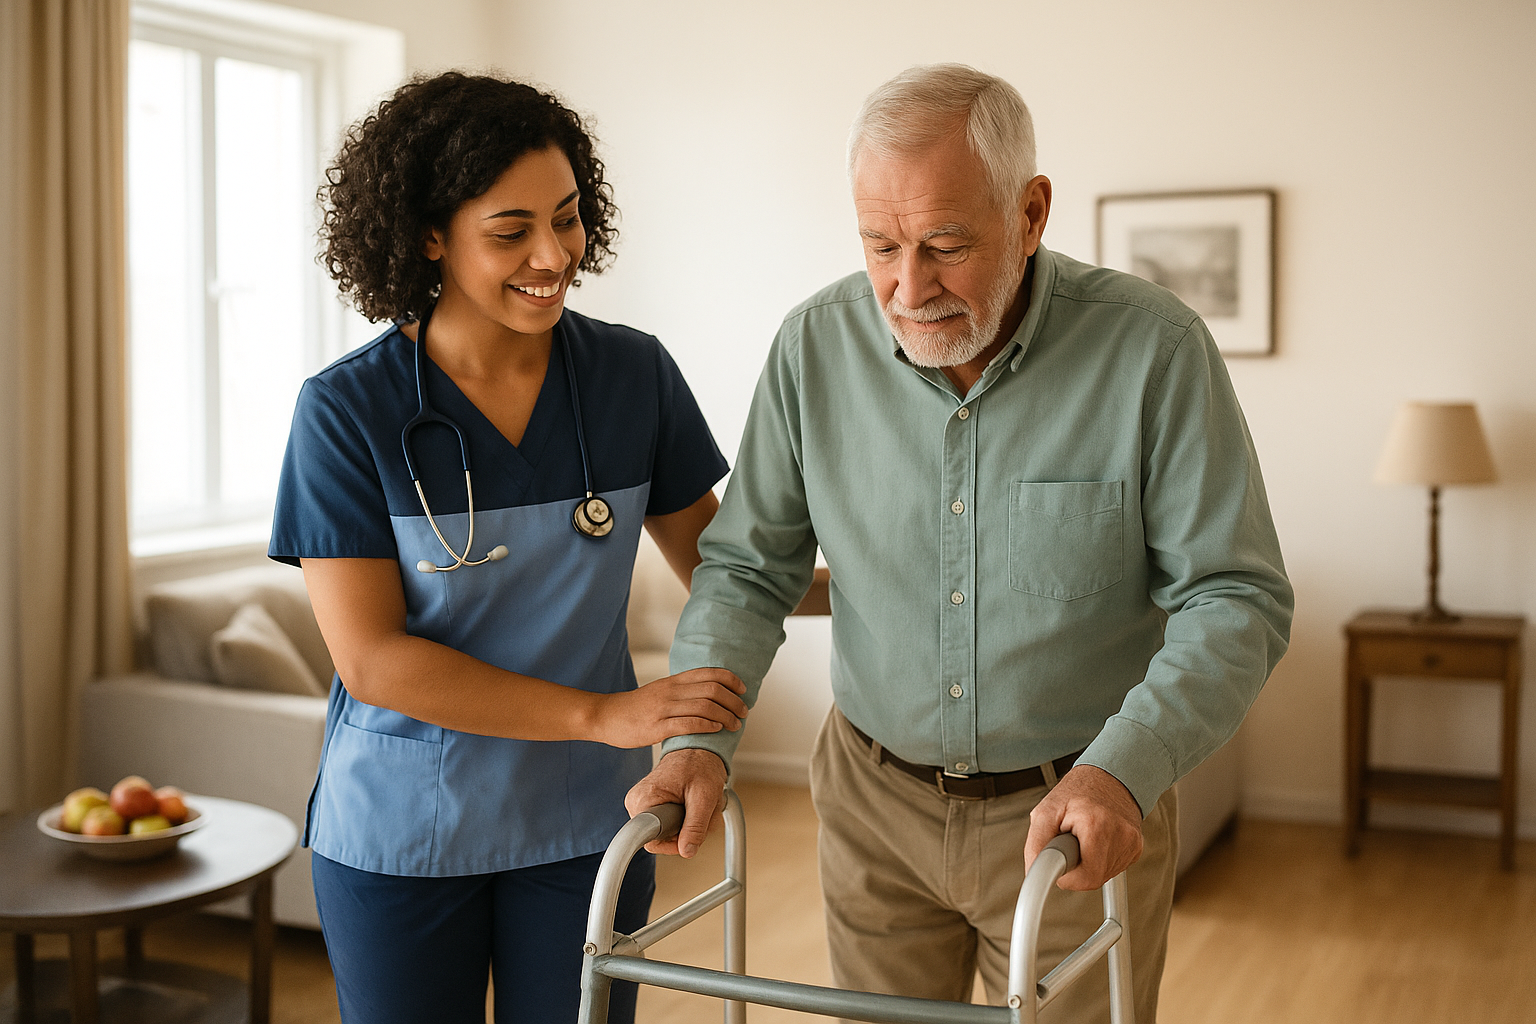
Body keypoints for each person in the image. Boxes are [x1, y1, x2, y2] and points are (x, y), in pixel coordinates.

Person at [626, 64, 1294, 1023]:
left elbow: (1237, 595)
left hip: (1076, 810)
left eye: (945, 244)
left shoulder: (1153, 351)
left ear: (1031, 213)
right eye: (881, 245)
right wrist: (697, 739)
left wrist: (1126, 767)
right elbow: (743, 569)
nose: (908, 285)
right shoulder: (814, 348)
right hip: (871, 805)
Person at [268, 72, 747, 1024]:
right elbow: (373, 661)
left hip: (583, 830)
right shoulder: (346, 412)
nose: (552, 255)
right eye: (511, 231)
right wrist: (603, 715)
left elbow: (731, 573)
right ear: (431, 236)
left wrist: (903, 582)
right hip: (404, 837)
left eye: (567, 220)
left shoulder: (630, 376)